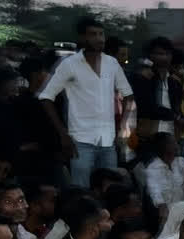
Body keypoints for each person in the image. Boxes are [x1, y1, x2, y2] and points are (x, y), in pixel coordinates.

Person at [40, 17, 133, 188]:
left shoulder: (112, 63)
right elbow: (46, 97)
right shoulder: (69, 64)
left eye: (101, 34)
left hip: (108, 141)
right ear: (82, 38)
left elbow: (128, 94)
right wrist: (63, 134)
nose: (99, 39)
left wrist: (123, 125)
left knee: (111, 191)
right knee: (82, 192)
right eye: (93, 34)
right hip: (80, 141)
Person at [131, 37, 184, 148]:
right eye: (159, 53)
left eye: (167, 54)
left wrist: (181, 120)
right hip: (148, 135)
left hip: (172, 136)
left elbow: (177, 106)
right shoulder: (142, 78)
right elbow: (146, 107)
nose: (164, 57)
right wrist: (176, 117)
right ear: (150, 55)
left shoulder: (174, 81)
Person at [145, 132, 184, 223]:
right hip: (165, 212)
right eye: (173, 143)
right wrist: (163, 208)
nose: (177, 145)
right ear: (163, 147)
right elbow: (155, 193)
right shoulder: (152, 168)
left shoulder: (182, 162)